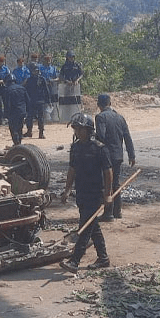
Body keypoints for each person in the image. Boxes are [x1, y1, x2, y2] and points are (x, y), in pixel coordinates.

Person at [58, 113, 112, 273]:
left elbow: (108, 172)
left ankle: (75, 261)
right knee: (92, 226)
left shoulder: (99, 148)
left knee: (84, 227)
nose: (77, 132)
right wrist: (67, 190)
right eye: (75, 129)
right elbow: (72, 169)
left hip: (95, 194)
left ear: (88, 130)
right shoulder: (75, 148)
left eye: (80, 129)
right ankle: (103, 258)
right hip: (81, 192)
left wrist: (108, 194)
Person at [94, 94, 135, 221]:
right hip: (118, 155)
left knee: (107, 184)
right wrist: (131, 155)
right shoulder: (120, 117)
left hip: (106, 156)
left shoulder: (100, 117)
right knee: (115, 183)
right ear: (110, 104)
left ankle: (108, 213)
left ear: (99, 105)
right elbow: (127, 137)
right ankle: (117, 211)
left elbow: (101, 135)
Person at [23, 63, 52, 139]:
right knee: (29, 117)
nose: (36, 72)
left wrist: (48, 101)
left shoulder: (42, 79)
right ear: (32, 71)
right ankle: (29, 131)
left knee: (41, 117)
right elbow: (26, 91)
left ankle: (41, 133)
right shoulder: (29, 80)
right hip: (31, 101)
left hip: (40, 101)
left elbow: (46, 91)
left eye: (37, 71)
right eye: (34, 71)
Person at [3, 75, 29, 146]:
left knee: (13, 128)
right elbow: (27, 100)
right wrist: (27, 111)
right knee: (20, 128)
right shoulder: (22, 88)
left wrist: (6, 115)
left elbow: (7, 104)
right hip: (22, 111)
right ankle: (19, 142)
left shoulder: (7, 90)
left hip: (13, 112)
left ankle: (16, 143)